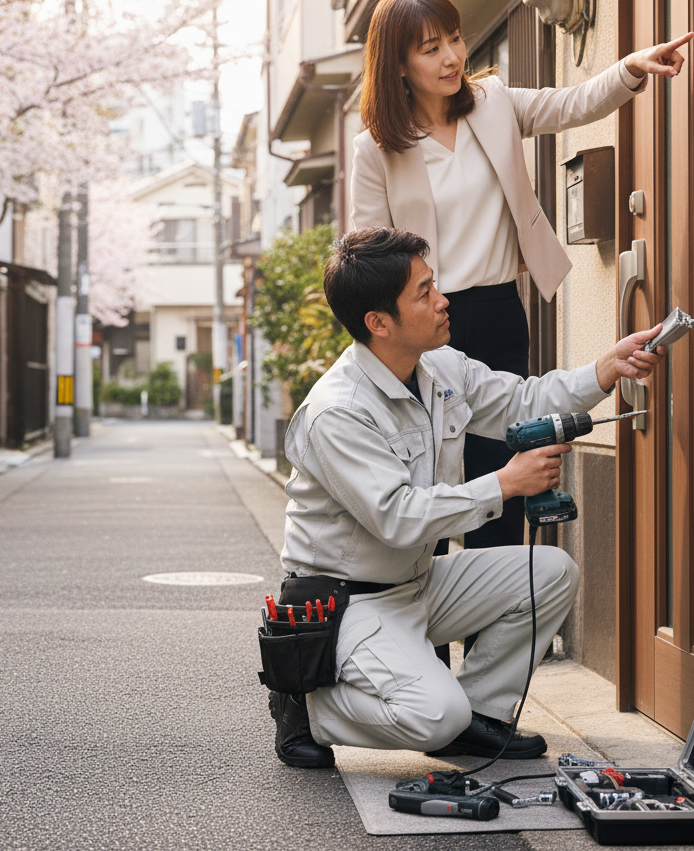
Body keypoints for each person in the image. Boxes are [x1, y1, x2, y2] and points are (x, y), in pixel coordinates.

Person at [349, 0, 690, 632]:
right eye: (431, 48)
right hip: (424, 333)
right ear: (397, 63)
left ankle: (485, 695)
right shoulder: (377, 148)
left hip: (499, 314)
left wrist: (630, 69)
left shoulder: (492, 103)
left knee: (502, 489)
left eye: (454, 39)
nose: (452, 56)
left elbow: (570, 103)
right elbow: (368, 256)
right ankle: (427, 672)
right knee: (430, 489)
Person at [268, 227, 665, 769]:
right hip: (350, 602)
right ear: (378, 323)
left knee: (551, 572)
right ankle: (307, 702)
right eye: (424, 292)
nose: (443, 300)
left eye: (435, 285)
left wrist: (606, 368)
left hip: (417, 583)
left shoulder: (440, 369)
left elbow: (524, 399)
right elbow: (399, 518)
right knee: (433, 715)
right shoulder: (338, 412)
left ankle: (476, 715)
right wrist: (506, 482)